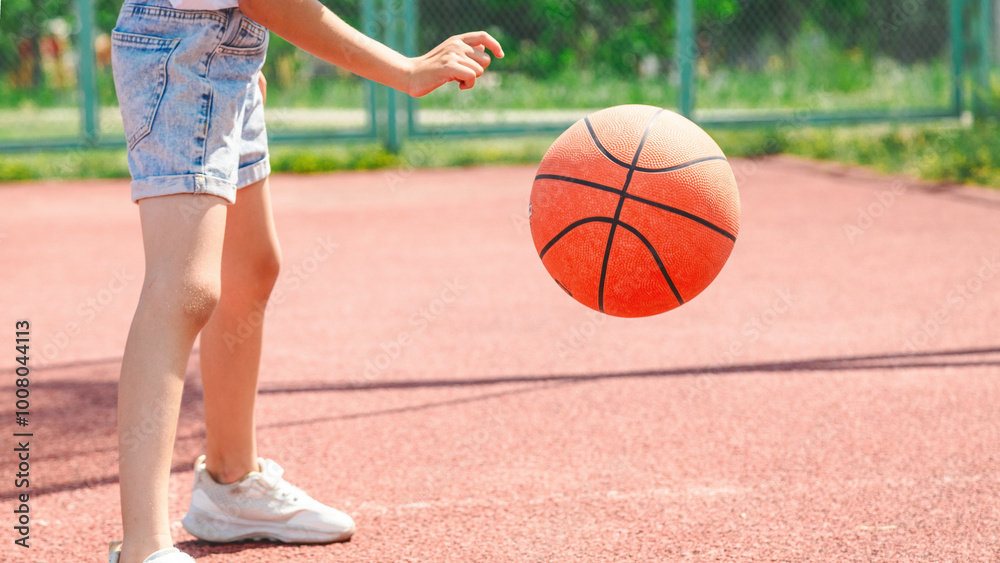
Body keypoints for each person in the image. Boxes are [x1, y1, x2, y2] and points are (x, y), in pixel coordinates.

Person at [107, 0, 503, 561]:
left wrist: (241, 53)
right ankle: (143, 546)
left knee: (252, 268)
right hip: (183, 56)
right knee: (184, 288)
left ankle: (230, 483)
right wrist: (405, 69)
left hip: (224, 55)